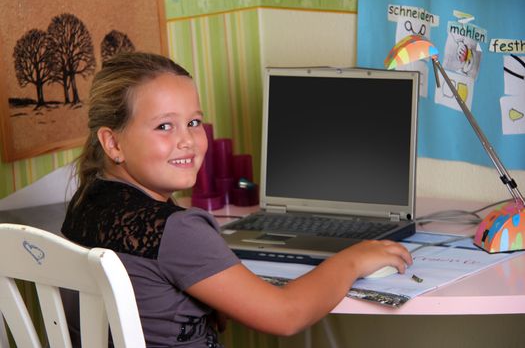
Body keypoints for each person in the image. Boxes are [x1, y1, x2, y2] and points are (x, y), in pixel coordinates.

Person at [61, 52, 412, 347]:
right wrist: (351, 260)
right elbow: (285, 315)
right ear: (113, 143)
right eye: (164, 126)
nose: (188, 141)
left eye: (194, 122)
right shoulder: (178, 229)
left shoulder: (85, 202)